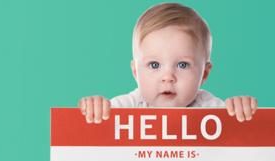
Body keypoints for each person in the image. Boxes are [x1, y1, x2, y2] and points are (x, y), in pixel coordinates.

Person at [79, 2, 257, 123]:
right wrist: (95, 108)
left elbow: (245, 139)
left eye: (182, 65)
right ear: (135, 72)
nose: (168, 77)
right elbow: (91, 126)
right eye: (154, 65)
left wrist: (240, 110)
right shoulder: (130, 106)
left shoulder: (211, 109)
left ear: (204, 74)